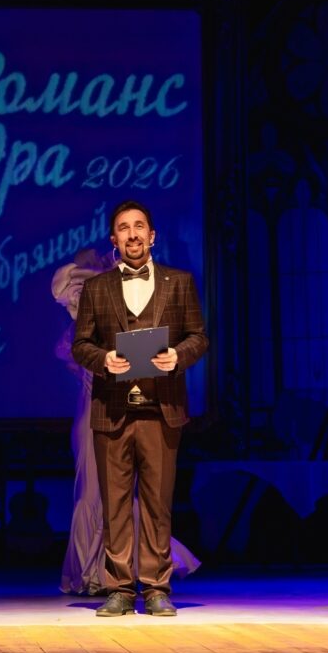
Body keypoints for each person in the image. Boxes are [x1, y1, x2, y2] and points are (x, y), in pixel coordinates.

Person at [72, 200, 208, 616]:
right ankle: (119, 589)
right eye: (123, 228)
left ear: (152, 235)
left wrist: (177, 356)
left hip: (161, 408)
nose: (132, 234)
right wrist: (104, 360)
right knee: (114, 503)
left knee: (157, 502)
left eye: (139, 226)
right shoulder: (97, 288)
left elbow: (198, 337)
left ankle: (156, 588)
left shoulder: (179, 282)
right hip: (112, 409)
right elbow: (81, 345)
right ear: (113, 239)